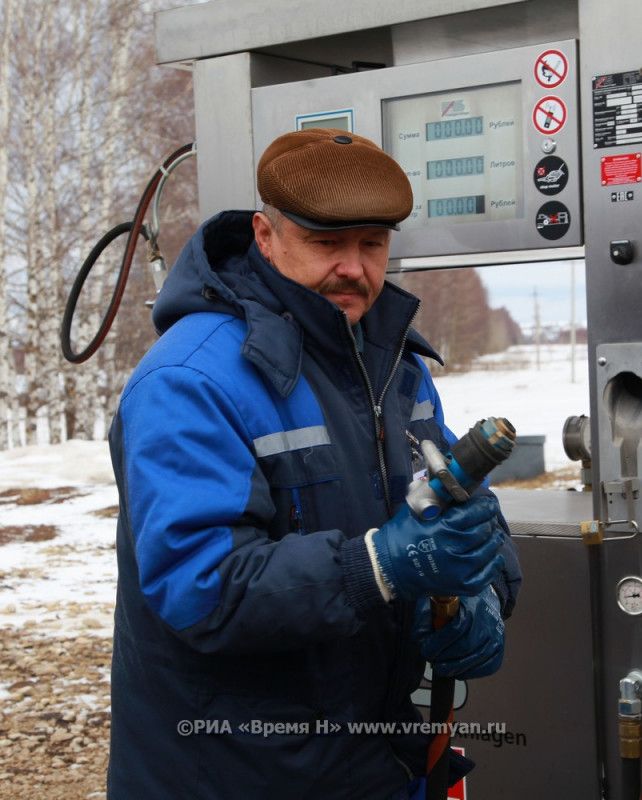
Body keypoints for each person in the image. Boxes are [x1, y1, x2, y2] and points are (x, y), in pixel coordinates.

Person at [107, 128, 521, 799]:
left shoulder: (397, 367)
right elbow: (200, 587)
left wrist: (485, 589)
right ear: (265, 236)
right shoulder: (190, 380)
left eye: (372, 244)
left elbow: (453, 509)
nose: (354, 268)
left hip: (373, 767)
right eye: (327, 243)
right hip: (235, 777)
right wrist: (379, 567)